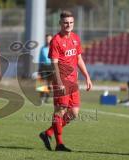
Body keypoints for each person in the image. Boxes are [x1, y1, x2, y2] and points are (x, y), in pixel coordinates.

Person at [39, 11, 92, 151]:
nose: (68, 25)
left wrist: (87, 76)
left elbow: (79, 59)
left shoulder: (75, 38)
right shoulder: (56, 40)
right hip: (61, 80)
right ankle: (59, 144)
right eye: (65, 22)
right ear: (60, 23)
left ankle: (48, 133)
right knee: (60, 111)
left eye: (71, 22)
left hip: (73, 81)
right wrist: (59, 82)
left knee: (74, 112)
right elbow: (54, 63)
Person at [38, 34, 53, 104]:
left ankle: (47, 97)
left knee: (50, 84)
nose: (48, 40)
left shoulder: (53, 48)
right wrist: (39, 69)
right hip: (43, 67)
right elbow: (40, 59)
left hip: (51, 67)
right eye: (47, 39)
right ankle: (41, 97)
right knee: (42, 83)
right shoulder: (42, 48)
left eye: (49, 39)